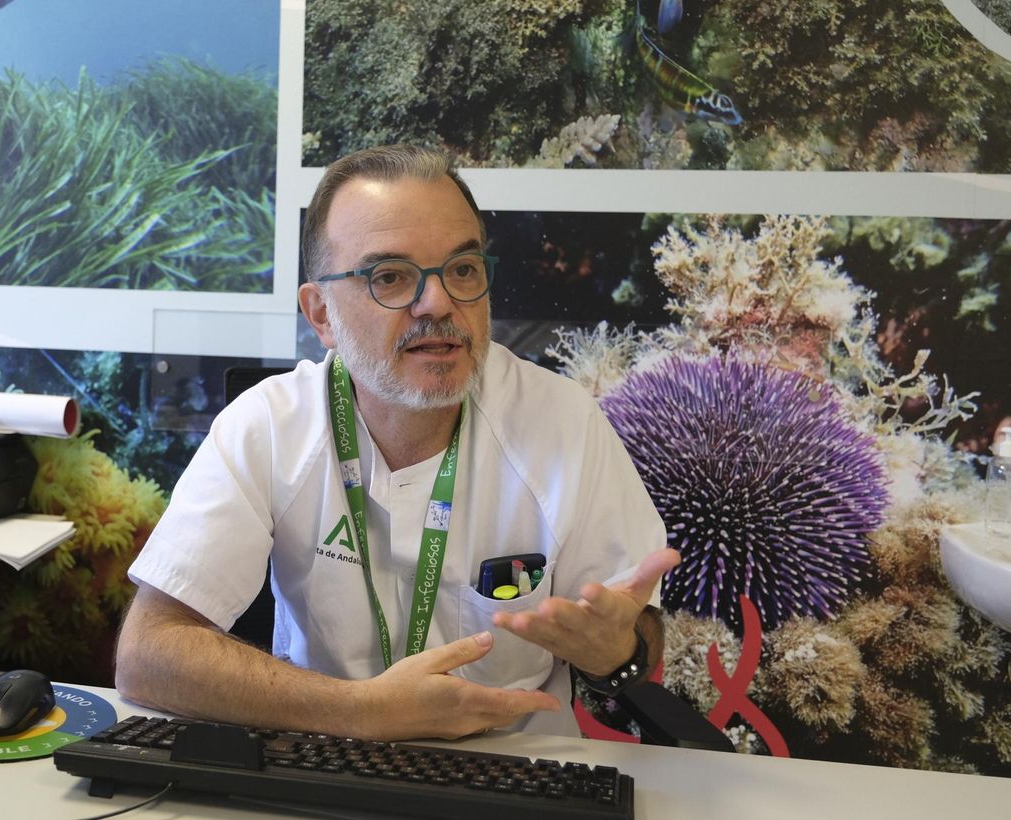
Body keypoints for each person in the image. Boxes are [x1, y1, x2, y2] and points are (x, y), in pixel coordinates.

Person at [116, 144, 678, 741]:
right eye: (390, 277)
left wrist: (620, 651)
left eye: (463, 270)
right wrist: (362, 711)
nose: (438, 303)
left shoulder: (563, 423)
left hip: (513, 773)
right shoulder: (267, 427)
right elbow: (149, 654)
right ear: (322, 313)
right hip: (321, 762)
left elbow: (635, 644)